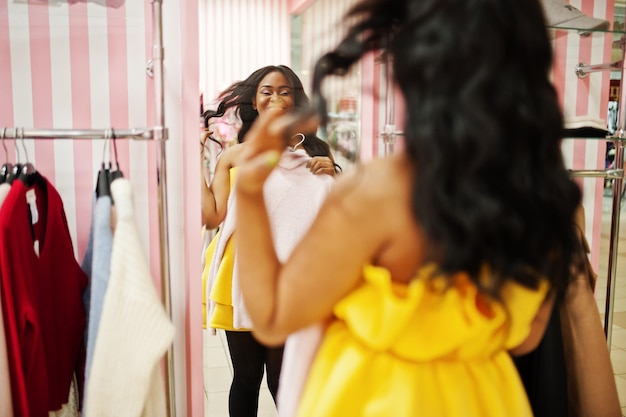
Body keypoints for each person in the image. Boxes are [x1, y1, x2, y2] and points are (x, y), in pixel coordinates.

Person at [233, 1, 585, 417]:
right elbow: (525, 338)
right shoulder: (547, 201)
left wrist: (251, 192)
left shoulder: (378, 193)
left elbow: (273, 316)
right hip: (485, 399)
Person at [201, 65, 338, 417]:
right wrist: (192, 161)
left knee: (283, 378)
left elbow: (335, 211)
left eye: (284, 91)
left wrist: (332, 171)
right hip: (239, 277)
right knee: (246, 377)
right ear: (254, 100)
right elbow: (212, 216)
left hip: (291, 281)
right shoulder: (233, 155)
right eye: (267, 90)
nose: (276, 97)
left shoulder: (316, 154)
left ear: (295, 99)